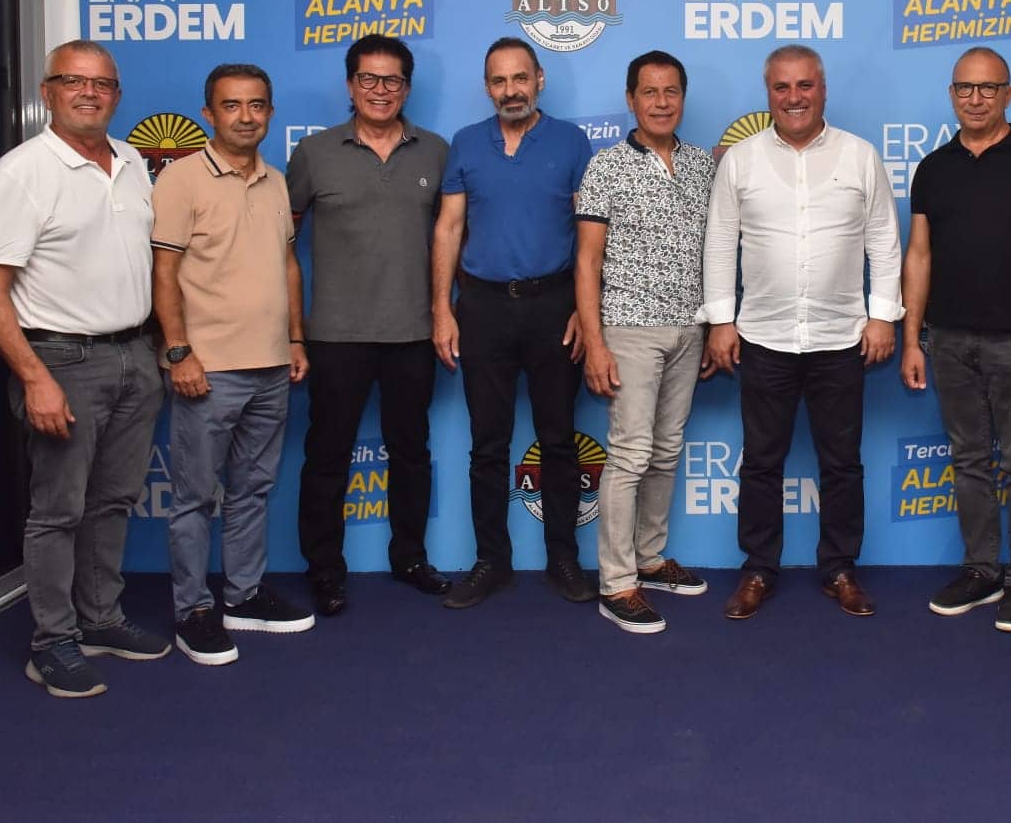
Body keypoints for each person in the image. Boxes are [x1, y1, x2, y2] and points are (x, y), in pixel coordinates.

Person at [0, 40, 169, 698]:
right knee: (58, 510)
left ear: (117, 95)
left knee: (113, 501)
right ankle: (52, 642)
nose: (89, 93)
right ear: (48, 91)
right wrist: (35, 378)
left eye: (102, 84)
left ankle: (101, 619)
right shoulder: (22, 173)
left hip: (134, 354)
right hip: (62, 360)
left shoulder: (133, 162)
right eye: (73, 81)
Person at [703, 45, 902, 620]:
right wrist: (722, 320)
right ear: (768, 93)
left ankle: (839, 568)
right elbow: (720, 242)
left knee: (842, 463)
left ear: (823, 89)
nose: (794, 97)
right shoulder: (740, 161)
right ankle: (758, 569)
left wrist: (883, 314)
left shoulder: (860, 156)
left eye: (805, 86)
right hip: (763, 338)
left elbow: (884, 239)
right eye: (782, 87)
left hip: (841, 339)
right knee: (761, 463)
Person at [901, 47, 1011, 633]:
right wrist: (911, 338)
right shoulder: (933, 168)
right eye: (965, 88)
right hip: (949, 340)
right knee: (969, 460)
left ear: (1008, 94)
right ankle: (982, 571)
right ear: (951, 94)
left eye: (988, 88)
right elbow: (919, 256)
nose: (975, 99)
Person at [153, 63, 315, 667]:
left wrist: (295, 339)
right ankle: (192, 611)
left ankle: (242, 596)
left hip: (271, 364)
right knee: (195, 497)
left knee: (252, 490)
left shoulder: (276, 181)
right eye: (231, 105)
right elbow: (164, 271)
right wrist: (178, 351)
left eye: (256, 105)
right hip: (208, 369)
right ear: (209, 113)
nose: (246, 117)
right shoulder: (181, 179)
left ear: (269, 112)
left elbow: (288, 265)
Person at [289, 35, 451, 617]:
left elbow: (451, 237)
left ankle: (410, 558)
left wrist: (446, 312)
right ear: (350, 84)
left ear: (407, 87)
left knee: (411, 452)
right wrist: (292, 331)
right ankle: (324, 570)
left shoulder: (436, 152)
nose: (380, 90)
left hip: (413, 332)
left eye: (392, 81)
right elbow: (279, 241)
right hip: (336, 335)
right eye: (368, 79)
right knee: (327, 457)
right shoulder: (313, 153)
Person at [433, 37, 596, 608]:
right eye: (499, 81)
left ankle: (564, 559)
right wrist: (442, 309)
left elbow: (589, 234)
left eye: (520, 78)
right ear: (487, 87)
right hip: (482, 308)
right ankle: (491, 561)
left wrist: (585, 309)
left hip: (555, 305)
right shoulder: (465, 143)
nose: (511, 90)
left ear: (539, 79)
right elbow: (449, 228)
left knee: (558, 440)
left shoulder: (571, 142)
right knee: (487, 443)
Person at [575, 51, 717, 634]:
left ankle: (650, 559)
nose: (661, 102)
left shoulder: (704, 166)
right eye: (650, 92)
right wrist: (595, 342)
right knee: (631, 454)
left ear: (683, 97)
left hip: (690, 328)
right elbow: (587, 261)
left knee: (666, 450)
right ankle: (616, 583)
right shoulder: (606, 166)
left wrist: (713, 325)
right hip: (629, 328)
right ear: (630, 99)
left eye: (671, 91)